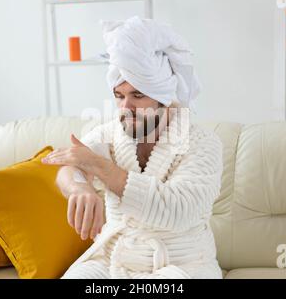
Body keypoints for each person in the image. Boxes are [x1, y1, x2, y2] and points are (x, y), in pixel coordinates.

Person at [42, 16, 224, 279]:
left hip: (182, 264)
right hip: (114, 259)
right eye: (119, 96)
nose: (126, 107)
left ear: (162, 97)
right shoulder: (109, 133)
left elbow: (177, 210)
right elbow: (71, 166)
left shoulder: (203, 143)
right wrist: (79, 187)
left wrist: (99, 167)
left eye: (138, 96)